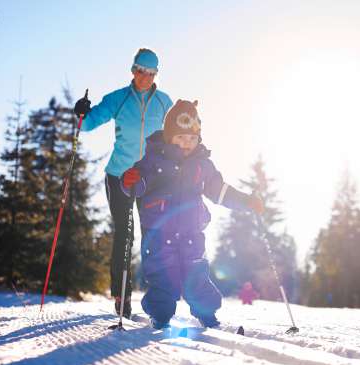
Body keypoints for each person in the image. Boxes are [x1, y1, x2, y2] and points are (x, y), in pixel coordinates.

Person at [120, 99, 264, 329]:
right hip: (158, 234)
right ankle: (160, 317)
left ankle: (209, 318)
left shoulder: (202, 164)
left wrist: (247, 202)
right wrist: (130, 182)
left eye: (192, 139)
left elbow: (220, 191)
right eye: (180, 138)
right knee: (163, 281)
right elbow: (137, 184)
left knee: (197, 278)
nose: (186, 144)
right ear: (169, 136)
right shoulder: (153, 159)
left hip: (191, 234)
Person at [73, 48, 173, 318]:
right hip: (119, 175)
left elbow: (177, 133)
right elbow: (87, 124)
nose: (145, 77)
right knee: (125, 234)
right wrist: (82, 113)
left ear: (156, 75)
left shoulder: (165, 103)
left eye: (151, 73)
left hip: (151, 179)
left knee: (153, 234)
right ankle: (122, 297)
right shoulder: (118, 99)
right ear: (133, 70)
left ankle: (158, 299)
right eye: (141, 71)